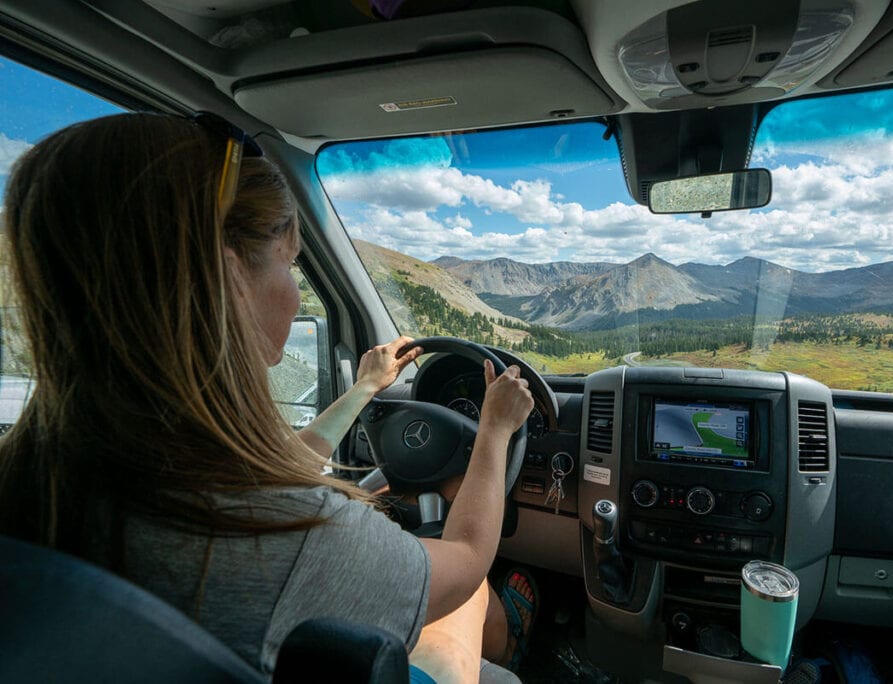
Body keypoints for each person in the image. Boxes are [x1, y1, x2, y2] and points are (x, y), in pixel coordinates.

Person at [0, 112, 535, 682]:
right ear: (229, 279)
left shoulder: (36, 477)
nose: (293, 292)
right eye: (291, 267)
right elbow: (466, 564)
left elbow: (274, 473)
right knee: (473, 610)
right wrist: (497, 430)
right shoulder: (290, 537)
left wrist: (363, 390)